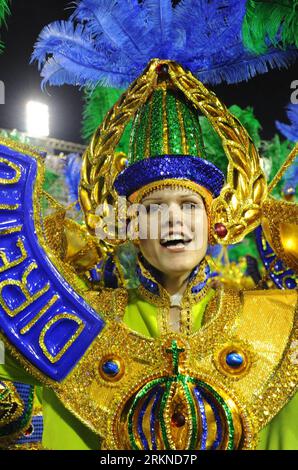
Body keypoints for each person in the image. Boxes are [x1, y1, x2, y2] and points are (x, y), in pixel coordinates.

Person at [0, 58, 297, 450]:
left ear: (214, 221)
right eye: (154, 208)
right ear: (132, 228)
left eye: (189, 205)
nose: (173, 220)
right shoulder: (79, 326)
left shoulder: (276, 323)